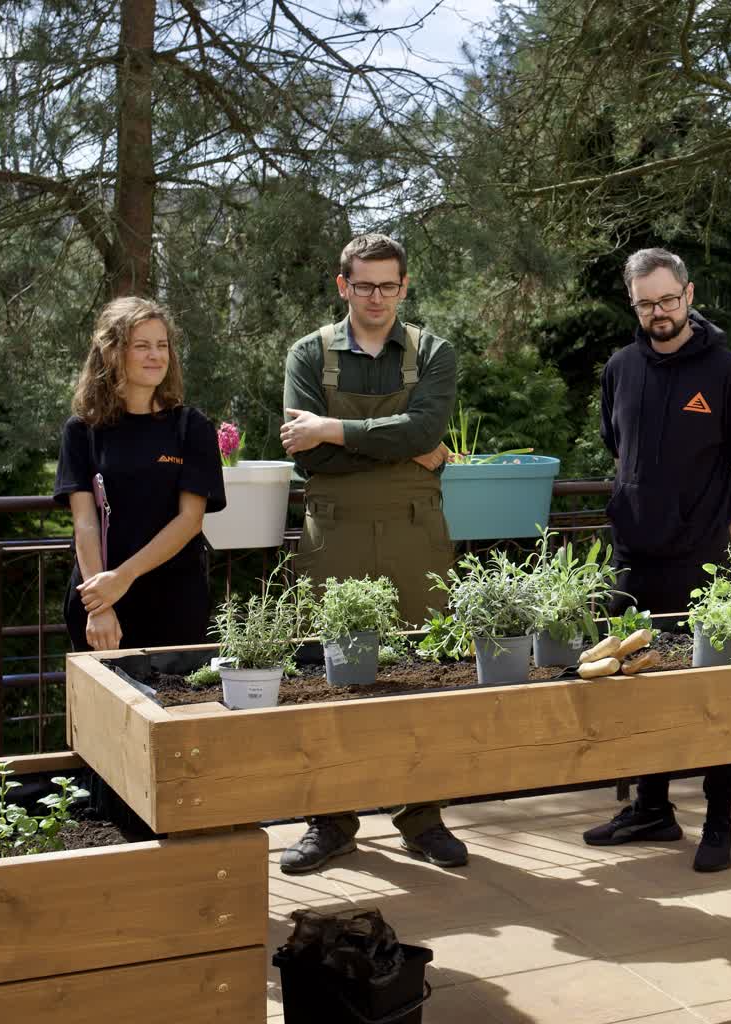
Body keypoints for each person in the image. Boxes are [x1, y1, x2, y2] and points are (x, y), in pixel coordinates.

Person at [580, 247, 731, 872]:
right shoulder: (620, 368)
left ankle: (721, 820)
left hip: (700, 560)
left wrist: (725, 528)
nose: (658, 312)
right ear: (633, 304)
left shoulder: (726, 373)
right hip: (633, 557)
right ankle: (651, 808)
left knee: (713, 693)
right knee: (636, 687)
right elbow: (621, 448)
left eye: (668, 299)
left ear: (689, 295)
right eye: (646, 304)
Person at [278, 232, 467, 873]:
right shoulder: (308, 354)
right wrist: (400, 444)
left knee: (425, 672)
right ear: (343, 286)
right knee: (329, 679)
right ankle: (329, 822)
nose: (377, 298)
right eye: (364, 285)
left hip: (416, 532)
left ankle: (423, 817)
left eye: (388, 286)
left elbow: (427, 429)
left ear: (404, 287)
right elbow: (310, 457)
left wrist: (332, 428)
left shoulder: (434, 352)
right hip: (335, 534)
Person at [54, 297, 226, 654]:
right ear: (111, 352)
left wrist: (123, 577)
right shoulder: (81, 430)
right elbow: (85, 523)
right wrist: (99, 605)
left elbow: (190, 520)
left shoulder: (191, 427)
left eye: (162, 345)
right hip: (100, 607)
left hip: (174, 603)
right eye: (142, 346)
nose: (156, 355)